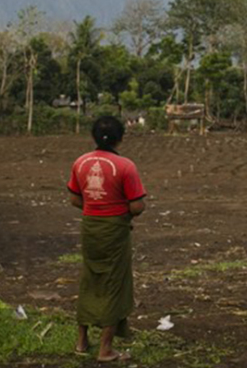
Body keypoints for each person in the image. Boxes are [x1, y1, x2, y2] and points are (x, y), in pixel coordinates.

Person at [67, 116, 147, 363]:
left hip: (90, 227)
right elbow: (137, 206)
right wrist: (117, 210)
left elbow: (74, 199)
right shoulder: (125, 167)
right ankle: (106, 349)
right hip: (115, 230)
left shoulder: (80, 162)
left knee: (90, 278)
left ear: (93, 137)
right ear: (120, 138)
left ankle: (81, 341)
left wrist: (95, 207)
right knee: (114, 283)